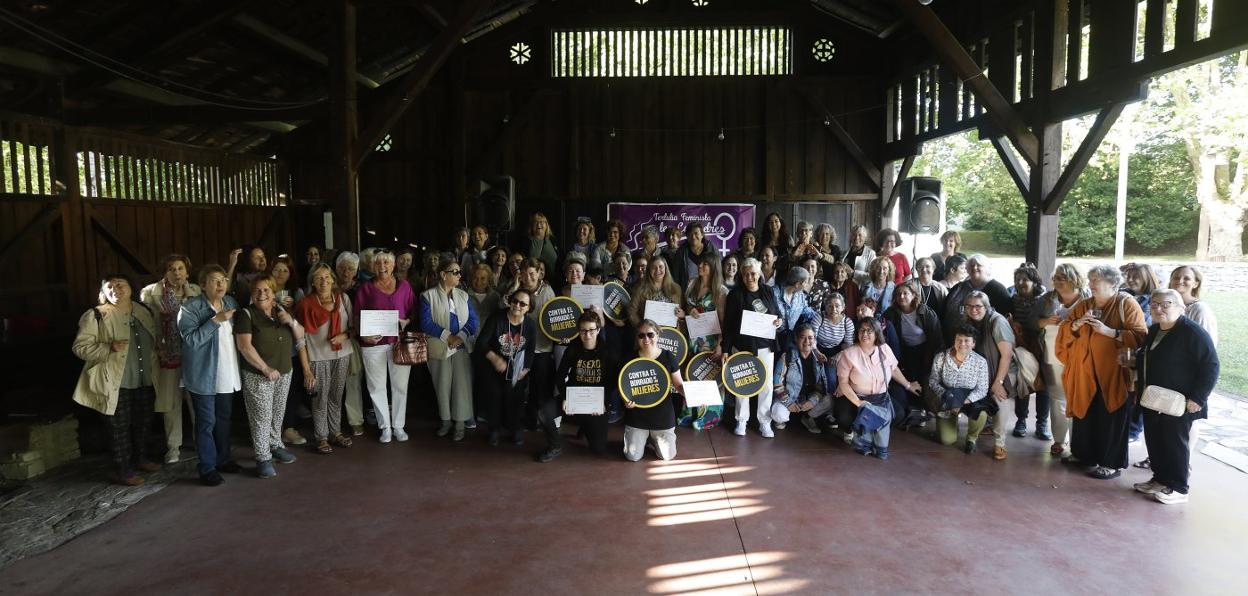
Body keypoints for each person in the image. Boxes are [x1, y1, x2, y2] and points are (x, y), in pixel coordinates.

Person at [1056, 265, 1147, 480]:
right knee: (1085, 413)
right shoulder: (1085, 305)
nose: (1091, 284)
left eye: (1096, 280)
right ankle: (1084, 455)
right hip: (1084, 372)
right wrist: (1076, 324)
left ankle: (1110, 463)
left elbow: (1141, 336)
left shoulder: (1126, 304)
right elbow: (1065, 330)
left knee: (1111, 417)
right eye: (1090, 279)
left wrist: (1110, 332)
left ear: (1112, 283)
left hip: (1113, 373)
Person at [73, 274, 161, 485]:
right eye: (110, 287)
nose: (115, 289)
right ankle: (122, 470)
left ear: (131, 288)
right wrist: (107, 347)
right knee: (118, 428)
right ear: (103, 293)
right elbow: (80, 347)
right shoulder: (96, 315)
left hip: (145, 378)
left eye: (120, 285)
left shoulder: (144, 311)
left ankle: (141, 459)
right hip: (114, 382)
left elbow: (155, 340)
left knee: (143, 422)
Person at [1134, 289, 1220, 505]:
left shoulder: (1192, 332)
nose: (1159, 309)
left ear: (1181, 308)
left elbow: (1211, 366)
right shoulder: (1155, 329)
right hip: (1154, 398)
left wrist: (1198, 398)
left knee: (1175, 444)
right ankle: (1160, 479)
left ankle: (1179, 488)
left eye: (1166, 304)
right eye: (1154, 304)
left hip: (1181, 401)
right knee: (1155, 440)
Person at [234, 275, 308, 479]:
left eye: (266, 290)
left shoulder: (280, 310)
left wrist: (291, 321)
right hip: (259, 375)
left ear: (273, 292)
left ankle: (275, 445)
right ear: (251, 293)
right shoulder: (246, 314)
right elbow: (244, 347)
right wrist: (265, 368)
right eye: (257, 290)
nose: (262, 294)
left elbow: (301, 334)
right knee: (261, 417)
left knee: (277, 413)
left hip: (284, 371)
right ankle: (262, 457)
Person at [178, 265, 242, 486]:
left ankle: (224, 459)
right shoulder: (190, 308)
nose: (220, 284)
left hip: (228, 371)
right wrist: (215, 321)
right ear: (203, 285)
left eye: (223, 279)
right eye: (214, 280)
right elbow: (191, 340)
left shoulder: (231, 303)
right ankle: (207, 468)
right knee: (206, 422)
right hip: (203, 374)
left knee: (224, 419)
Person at [140, 254, 201, 464]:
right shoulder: (150, 293)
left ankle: (202, 442)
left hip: (193, 354)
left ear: (187, 272)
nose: (176, 273)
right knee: (170, 403)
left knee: (196, 400)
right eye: (171, 269)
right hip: (167, 354)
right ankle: (173, 447)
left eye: (180, 268)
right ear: (165, 272)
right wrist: (157, 346)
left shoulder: (196, 291)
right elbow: (147, 325)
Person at [354, 249, 418, 443]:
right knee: (376, 388)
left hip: (399, 343)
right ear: (372, 266)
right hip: (373, 346)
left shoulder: (404, 286)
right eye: (378, 263)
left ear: (393, 265)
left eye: (386, 262)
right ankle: (385, 427)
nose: (382, 266)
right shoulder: (365, 288)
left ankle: (398, 426)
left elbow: (413, 310)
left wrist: (407, 321)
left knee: (400, 386)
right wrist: (364, 336)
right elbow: (356, 316)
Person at [539, 312, 622, 462]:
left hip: (596, 401)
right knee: (544, 413)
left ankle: (586, 426)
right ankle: (555, 446)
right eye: (583, 331)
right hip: (573, 397)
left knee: (598, 449)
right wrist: (565, 397)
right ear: (579, 331)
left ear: (598, 330)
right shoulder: (573, 348)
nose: (587, 335)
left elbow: (613, 382)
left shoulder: (608, 351)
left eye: (591, 330)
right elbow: (560, 376)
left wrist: (603, 402)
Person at [835, 317, 922, 460]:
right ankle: (857, 433)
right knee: (845, 417)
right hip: (857, 398)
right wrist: (859, 403)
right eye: (861, 330)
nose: (865, 334)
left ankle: (875, 434)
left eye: (869, 330)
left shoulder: (884, 349)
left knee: (899, 413)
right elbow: (843, 383)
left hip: (880, 398)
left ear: (877, 333)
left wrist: (908, 385)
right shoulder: (849, 354)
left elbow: (894, 369)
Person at [295, 262, 355, 455]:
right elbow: (300, 338)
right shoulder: (305, 304)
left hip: (342, 354)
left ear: (333, 280)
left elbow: (354, 327)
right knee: (320, 398)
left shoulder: (343, 299)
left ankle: (335, 432)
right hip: (317, 357)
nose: (324, 281)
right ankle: (321, 436)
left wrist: (344, 336)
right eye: (319, 278)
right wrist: (306, 368)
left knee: (336, 396)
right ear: (312, 282)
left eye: (327, 277)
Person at [721, 257, 783, 438]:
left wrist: (779, 321)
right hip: (742, 346)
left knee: (766, 386)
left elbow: (777, 313)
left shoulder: (768, 291)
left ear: (759, 274)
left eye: (753, 273)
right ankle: (741, 420)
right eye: (746, 274)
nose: (750, 277)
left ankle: (765, 422)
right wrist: (725, 349)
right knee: (742, 383)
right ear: (742, 275)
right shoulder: (735, 295)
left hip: (765, 346)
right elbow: (728, 325)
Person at [419, 256, 479, 441]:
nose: (459, 275)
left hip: (461, 347)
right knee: (442, 385)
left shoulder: (464, 295)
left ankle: (460, 424)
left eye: (459, 272)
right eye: (455, 272)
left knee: (462, 386)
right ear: (443, 275)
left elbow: (474, 321)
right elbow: (426, 323)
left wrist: (460, 337)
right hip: (439, 348)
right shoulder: (427, 296)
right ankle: (445, 421)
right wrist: (448, 336)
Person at [1033, 263, 1090, 458]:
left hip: (1077, 358)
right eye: (1055, 277)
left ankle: (1077, 444)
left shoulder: (1088, 300)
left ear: (1075, 279)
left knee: (1076, 399)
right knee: (1057, 400)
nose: (1057, 281)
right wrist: (1045, 322)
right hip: (1051, 356)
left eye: (1062, 278)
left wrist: (1069, 326)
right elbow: (1031, 322)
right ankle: (1058, 439)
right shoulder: (1048, 298)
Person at [962, 290, 1018, 461]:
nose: (973, 310)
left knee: (999, 399)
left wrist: (998, 382)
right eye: (969, 306)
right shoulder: (968, 322)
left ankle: (1000, 443)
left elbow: (1007, 355)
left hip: (1004, 370)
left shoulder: (997, 322)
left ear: (986, 307)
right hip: (981, 369)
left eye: (978, 306)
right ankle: (979, 429)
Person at [622, 319, 685, 462]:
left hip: (662, 416)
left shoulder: (668, 356)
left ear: (657, 335)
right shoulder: (629, 358)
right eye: (641, 335)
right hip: (637, 416)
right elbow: (623, 387)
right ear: (637, 338)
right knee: (632, 457)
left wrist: (694, 396)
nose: (646, 339)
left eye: (650, 335)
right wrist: (625, 401)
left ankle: (652, 439)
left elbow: (678, 385)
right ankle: (643, 438)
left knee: (668, 456)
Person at [479, 289, 536, 447]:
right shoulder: (496, 318)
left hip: (517, 368)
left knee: (516, 399)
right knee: (494, 397)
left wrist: (526, 369)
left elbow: (531, 350)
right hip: (495, 366)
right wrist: (494, 358)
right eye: (515, 301)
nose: (517, 305)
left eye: (522, 304)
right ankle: (494, 430)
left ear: (528, 308)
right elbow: (481, 343)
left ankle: (515, 428)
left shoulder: (530, 325)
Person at [883, 281, 944, 427]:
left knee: (923, 380)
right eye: (898, 294)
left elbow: (937, 337)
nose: (901, 296)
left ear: (913, 295)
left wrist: (935, 359)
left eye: (905, 293)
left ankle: (923, 410)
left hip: (925, 351)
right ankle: (912, 412)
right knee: (908, 381)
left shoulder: (925, 312)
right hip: (904, 351)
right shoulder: (891, 313)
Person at [681, 252, 727, 430]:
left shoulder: (720, 291)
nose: (700, 266)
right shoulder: (692, 283)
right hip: (692, 338)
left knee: (709, 377)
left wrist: (720, 345)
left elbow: (724, 322)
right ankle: (690, 413)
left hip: (710, 341)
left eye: (705, 264)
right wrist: (689, 310)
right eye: (700, 263)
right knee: (692, 374)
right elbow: (687, 305)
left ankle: (708, 418)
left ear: (713, 267)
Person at [928, 324, 991, 452]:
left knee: (981, 413)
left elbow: (982, 389)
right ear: (954, 341)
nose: (962, 344)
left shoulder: (980, 362)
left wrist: (962, 402)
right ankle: (952, 424)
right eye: (959, 340)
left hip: (969, 397)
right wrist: (948, 398)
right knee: (947, 440)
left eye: (967, 340)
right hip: (948, 395)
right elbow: (933, 381)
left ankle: (971, 438)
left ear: (973, 344)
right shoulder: (941, 357)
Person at [1009, 263, 1048, 439]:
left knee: (1043, 384)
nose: (1020, 283)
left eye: (1025, 279)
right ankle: (1021, 420)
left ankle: (1042, 423)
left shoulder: (1045, 299)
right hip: (1022, 344)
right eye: (1017, 279)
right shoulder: (1014, 299)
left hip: (1042, 345)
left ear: (1034, 281)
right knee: (1022, 382)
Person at [772, 324, 834, 434]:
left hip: (806, 398)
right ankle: (783, 418)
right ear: (796, 339)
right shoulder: (787, 356)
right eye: (802, 337)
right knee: (779, 414)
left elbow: (821, 386)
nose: (806, 341)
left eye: (810, 338)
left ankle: (807, 417)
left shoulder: (818, 359)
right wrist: (788, 403)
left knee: (829, 400)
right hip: (789, 397)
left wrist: (812, 401)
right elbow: (777, 383)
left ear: (814, 340)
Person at [334, 252, 366, 436]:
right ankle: (333, 422)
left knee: (353, 382)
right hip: (329, 341)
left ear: (356, 271)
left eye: (351, 269)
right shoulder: (328, 286)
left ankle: (355, 420)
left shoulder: (361, 289)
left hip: (353, 340)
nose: (346, 272)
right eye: (342, 268)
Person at [944, 254, 1013, 340]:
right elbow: (945, 309)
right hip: (954, 338)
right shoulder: (958, 287)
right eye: (971, 265)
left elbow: (1005, 317)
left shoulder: (998, 289)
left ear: (987, 268)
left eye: (979, 265)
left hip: (987, 340)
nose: (974, 267)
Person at [627, 255, 684, 327]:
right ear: (649, 270)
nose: (657, 270)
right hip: (650, 332)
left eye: (661, 267)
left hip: (671, 331)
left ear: (666, 269)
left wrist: (682, 314)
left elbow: (680, 312)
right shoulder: (640, 289)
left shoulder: (676, 288)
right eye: (654, 267)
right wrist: (642, 327)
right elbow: (631, 311)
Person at [1168, 265, 1218, 347]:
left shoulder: (1200, 309)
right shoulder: (1165, 305)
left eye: (1186, 278)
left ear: (1195, 284)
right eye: (1176, 278)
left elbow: (1207, 344)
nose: (1180, 281)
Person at [773, 266, 818, 353]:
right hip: (773, 337)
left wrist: (822, 316)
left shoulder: (800, 295)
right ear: (797, 284)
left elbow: (805, 310)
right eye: (805, 282)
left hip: (788, 338)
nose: (807, 285)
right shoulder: (773, 293)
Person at [814, 293, 855, 361]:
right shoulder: (819, 317)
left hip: (836, 351)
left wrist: (840, 354)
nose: (833, 309)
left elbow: (848, 343)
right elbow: (812, 338)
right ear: (825, 307)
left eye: (837, 306)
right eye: (830, 306)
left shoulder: (847, 322)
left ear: (843, 308)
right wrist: (816, 352)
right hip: (817, 348)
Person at [675, 222, 711, 292]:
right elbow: (676, 275)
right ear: (687, 237)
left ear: (702, 235)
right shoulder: (681, 252)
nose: (693, 237)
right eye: (690, 234)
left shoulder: (711, 249)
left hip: (709, 291)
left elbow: (718, 271)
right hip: (688, 291)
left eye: (696, 233)